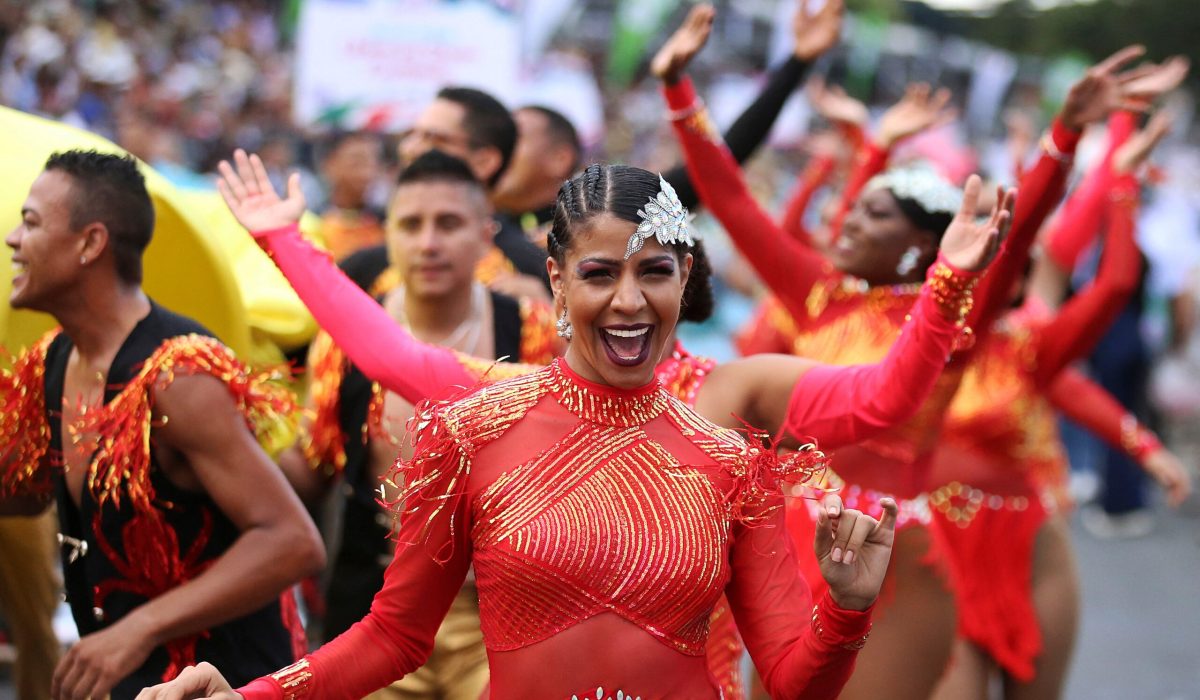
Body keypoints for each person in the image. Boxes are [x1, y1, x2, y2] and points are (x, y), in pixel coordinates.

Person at [138, 152, 904, 699]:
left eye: (656, 273)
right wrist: (250, 698)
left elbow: (793, 683)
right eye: (601, 274)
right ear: (557, 282)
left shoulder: (735, 464)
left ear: (685, 282)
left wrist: (846, 606)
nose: (631, 302)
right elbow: (393, 637)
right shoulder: (470, 431)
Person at [659, 11, 1170, 695]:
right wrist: (676, 89)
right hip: (788, 545)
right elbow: (730, 197)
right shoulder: (817, 294)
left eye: (872, 213)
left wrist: (1065, 133)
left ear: (921, 244)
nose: (846, 222)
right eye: (854, 206)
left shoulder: (955, 317)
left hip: (888, 560)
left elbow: (1023, 238)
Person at [0, 150, 325, 699]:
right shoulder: (56, 359)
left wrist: (137, 629)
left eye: (31, 223)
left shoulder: (178, 376)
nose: (12, 239)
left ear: (90, 243)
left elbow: (292, 542)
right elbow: (26, 493)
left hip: (224, 683)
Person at [928, 109, 1192, 700]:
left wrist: (1119, 170)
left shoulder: (1028, 343)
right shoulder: (921, 343)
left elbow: (1110, 286)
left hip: (1029, 542)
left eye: (1003, 263)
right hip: (940, 554)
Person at [282, 149, 557, 700]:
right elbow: (314, 465)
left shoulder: (532, 329)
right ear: (388, 236)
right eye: (410, 225)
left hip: (499, 618)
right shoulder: (346, 337)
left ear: (485, 236)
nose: (428, 243)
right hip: (376, 606)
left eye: (448, 224)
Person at [314, 131, 386, 261]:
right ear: (330, 165)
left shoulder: (385, 223)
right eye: (357, 162)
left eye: (372, 162)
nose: (367, 172)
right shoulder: (314, 224)